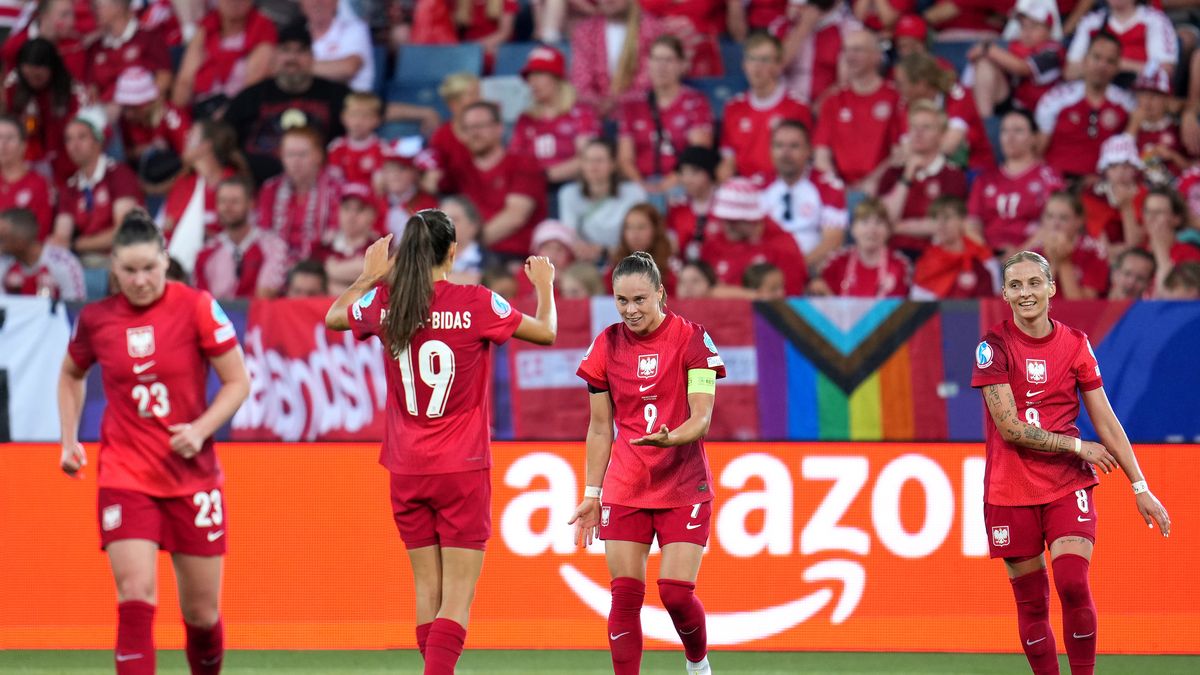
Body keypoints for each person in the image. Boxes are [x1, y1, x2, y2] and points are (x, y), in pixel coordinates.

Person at [325, 210, 557, 675]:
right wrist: (546, 287)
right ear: (452, 251)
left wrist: (368, 275)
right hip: (462, 466)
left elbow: (333, 317)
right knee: (456, 598)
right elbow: (547, 332)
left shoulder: (386, 301)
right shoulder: (475, 302)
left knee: (426, 592)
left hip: (407, 466)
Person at [57, 210, 250, 675]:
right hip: (125, 473)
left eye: (149, 268)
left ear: (166, 261)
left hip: (193, 477)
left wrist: (201, 429)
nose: (140, 280)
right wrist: (69, 439)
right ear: (113, 269)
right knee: (136, 596)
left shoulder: (198, 306)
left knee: (201, 616)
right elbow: (70, 373)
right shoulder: (96, 320)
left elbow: (238, 382)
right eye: (129, 270)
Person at [971, 249, 1170, 675]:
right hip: (1010, 487)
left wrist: (1140, 486)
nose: (1027, 293)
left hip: (1066, 485)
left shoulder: (1076, 343)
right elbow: (1010, 428)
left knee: (1072, 584)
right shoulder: (992, 348)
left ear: (1052, 288)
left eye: (1034, 283)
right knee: (1032, 603)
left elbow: (1107, 421)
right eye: (1016, 285)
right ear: (1005, 294)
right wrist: (1079, 448)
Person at [570, 250, 724, 675]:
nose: (631, 310)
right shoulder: (605, 345)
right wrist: (591, 493)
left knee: (675, 593)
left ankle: (697, 663)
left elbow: (702, 417)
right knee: (624, 597)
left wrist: (670, 439)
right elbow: (600, 428)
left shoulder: (693, 340)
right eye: (622, 301)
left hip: (682, 483)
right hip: (626, 483)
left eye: (640, 299)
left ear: (661, 293)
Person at [222, 20, 351, 181]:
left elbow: (369, 112)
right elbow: (223, 137)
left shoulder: (334, 93)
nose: (292, 58)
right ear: (276, 55)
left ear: (312, 57)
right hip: (257, 184)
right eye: (286, 50)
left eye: (300, 51)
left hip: (318, 184)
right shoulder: (252, 96)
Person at [439, 101, 548, 262]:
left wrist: (471, 246)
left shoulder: (523, 163)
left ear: (499, 128)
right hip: (470, 257)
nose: (474, 133)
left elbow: (515, 217)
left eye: (480, 126)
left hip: (516, 258)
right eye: (468, 128)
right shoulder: (459, 168)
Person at [616, 35, 713, 197]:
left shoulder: (696, 102)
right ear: (648, 63)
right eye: (656, 59)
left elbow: (698, 153)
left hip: (681, 182)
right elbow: (625, 158)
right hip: (640, 183)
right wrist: (642, 185)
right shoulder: (633, 105)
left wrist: (665, 186)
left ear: (682, 65)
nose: (661, 66)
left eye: (669, 60)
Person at [813, 28, 903, 193]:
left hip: (881, 188)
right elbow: (821, 155)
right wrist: (837, 188)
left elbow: (900, 153)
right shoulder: (833, 101)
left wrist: (871, 183)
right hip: (839, 189)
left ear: (876, 56)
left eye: (858, 50)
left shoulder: (895, 97)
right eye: (846, 50)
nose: (850, 56)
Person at [717, 31, 813, 185]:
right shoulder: (733, 107)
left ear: (778, 65)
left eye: (764, 60)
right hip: (745, 189)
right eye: (751, 59)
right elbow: (729, 159)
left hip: (782, 187)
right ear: (744, 64)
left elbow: (805, 158)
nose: (757, 66)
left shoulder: (797, 107)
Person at [1036, 33, 1135, 182]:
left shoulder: (1127, 104)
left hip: (1103, 186)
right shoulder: (1056, 98)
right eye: (1096, 57)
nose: (1102, 66)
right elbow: (1039, 149)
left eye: (1110, 61)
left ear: (1117, 67)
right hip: (1057, 183)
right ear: (1084, 60)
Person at [876, 100, 969, 255]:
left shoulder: (953, 176)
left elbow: (945, 224)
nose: (918, 133)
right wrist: (907, 174)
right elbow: (883, 219)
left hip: (936, 255)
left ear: (941, 135)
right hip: (891, 255)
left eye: (926, 127)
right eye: (914, 127)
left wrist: (897, 227)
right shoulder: (893, 173)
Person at [967, 109, 1064, 257]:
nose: (1010, 137)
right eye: (1005, 131)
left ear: (1034, 138)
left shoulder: (1049, 177)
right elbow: (972, 223)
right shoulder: (985, 179)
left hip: (1033, 258)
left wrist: (1019, 254)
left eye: (1018, 131)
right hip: (989, 258)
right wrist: (988, 254)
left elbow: (1055, 225)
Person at [760, 119, 847, 273]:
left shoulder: (828, 185)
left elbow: (833, 240)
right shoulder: (757, 186)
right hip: (766, 268)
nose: (785, 153)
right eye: (779, 146)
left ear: (809, 150)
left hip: (813, 266)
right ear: (770, 150)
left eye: (794, 146)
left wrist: (796, 267)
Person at [2, 37, 92, 184]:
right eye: (28, 76)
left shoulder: (72, 91)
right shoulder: (12, 86)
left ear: (52, 68)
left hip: (64, 163)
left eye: (38, 76)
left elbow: (84, 128)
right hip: (23, 160)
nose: (33, 80)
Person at [700, 177, 808, 296]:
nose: (727, 226)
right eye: (723, 219)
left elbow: (790, 297)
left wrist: (734, 294)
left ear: (753, 219)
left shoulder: (783, 247)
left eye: (733, 221)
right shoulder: (715, 242)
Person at [508, 45, 600, 186]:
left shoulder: (581, 113)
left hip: (571, 186)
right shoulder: (526, 118)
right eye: (530, 76)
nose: (532, 82)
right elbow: (514, 158)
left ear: (558, 78)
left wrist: (543, 176)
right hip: (531, 188)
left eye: (539, 75)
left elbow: (587, 158)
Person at [171, 0, 278, 115]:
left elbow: (253, 88)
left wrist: (225, 116)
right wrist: (178, 117)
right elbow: (184, 81)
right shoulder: (206, 28)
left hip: (238, 111)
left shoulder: (262, 29)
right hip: (201, 108)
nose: (233, 2)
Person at [255, 125, 342, 266]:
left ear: (319, 156)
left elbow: (337, 233)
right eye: (289, 154)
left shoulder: (335, 188)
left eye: (302, 154)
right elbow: (264, 233)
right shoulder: (270, 188)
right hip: (276, 264)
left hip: (323, 264)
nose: (296, 161)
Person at [193, 177, 289, 299]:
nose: (227, 207)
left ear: (250, 203)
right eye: (222, 201)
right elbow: (203, 302)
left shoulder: (273, 246)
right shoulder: (205, 253)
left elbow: (265, 296)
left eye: (235, 201)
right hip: (218, 316)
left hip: (258, 316)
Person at [967, 0, 1064, 118]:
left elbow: (1023, 68)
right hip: (1014, 106)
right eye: (1023, 26)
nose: (1027, 32)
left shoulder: (1053, 50)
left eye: (1034, 26)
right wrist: (986, 52)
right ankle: (984, 121)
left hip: (1039, 114)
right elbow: (971, 55)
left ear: (1048, 29)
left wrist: (988, 49)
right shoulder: (1016, 45)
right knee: (984, 64)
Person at [557, 138, 647, 260]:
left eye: (599, 160)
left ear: (613, 164)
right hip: (586, 260)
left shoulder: (634, 192)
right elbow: (569, 233)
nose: (593, 166)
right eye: (587, 160)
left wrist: (605, 250)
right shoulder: (568, 193)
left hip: (626, 258)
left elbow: (641, 234)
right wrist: (582, 249)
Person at [814, 197, 912, 297]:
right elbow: (818, 293)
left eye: (879, 222)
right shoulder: (836, 261)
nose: (872, 229)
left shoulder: (900, 265)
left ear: (888, 230)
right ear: (853, 229)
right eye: (865, 222)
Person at [1065, 0, 1178, 85]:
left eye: (1110, 61)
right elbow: (1070, 71)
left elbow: (1164, 71)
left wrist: (1113, 65)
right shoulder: (1091, 21)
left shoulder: (1155, 20)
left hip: (1138, 94)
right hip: (1097, 95)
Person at [86, 0, 172, 104]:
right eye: (93, 6)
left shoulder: (148, 38)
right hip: (106, 113)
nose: (94, 10)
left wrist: (144, 104)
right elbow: (92, 88)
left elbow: (164, 77)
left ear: (119, 6)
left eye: (98, 5)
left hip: (142, 109)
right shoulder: (96, 47)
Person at [911, 196, 997, 299]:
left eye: (947, 218)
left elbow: (993, 302)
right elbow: (919, 305)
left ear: (963, 220)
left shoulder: (983, 257)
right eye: (935, 218)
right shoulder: (926, 262)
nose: (941, 225)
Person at [1031, 191, 1110, 299]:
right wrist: (1054, 261)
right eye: (1050, 216)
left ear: (1079, 220)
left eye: (1063, 218)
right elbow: (1035, 300)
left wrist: (1063, 260)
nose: (1055, 224)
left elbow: (1082, 304)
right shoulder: (1035, 252)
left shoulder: (1094, 252)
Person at [0, 206, 85, 300]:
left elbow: (75, 307)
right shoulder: (4, 262)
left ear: (20, 242)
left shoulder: (62, 262)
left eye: (2, 239)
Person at [0, 114, 54, 240]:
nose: (3, 145)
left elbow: (40, 231)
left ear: (23, 146)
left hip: (21, 256)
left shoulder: (39, 184)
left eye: (10, 138)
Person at [302, 0, 375, 92]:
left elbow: (349, 68)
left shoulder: (354, 28)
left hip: (352, 100)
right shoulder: (295, 32)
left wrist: (296, 66)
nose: (317, 2)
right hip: (308, 99)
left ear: (336, 2)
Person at [323, 182, 382, 295]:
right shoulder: (324, 246)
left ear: (373, 214)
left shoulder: (382, 246)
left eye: (359, 209)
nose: (351, 215)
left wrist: (330, 272)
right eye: (346, 208)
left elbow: (375, 281)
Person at [327, 92, 387, 186]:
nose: (358, 122)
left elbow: (380, 187)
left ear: (378, 120)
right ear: (343, 117)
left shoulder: (383, 149)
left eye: (366, 116)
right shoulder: (335, 147)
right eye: (353, 115)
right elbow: (332, 181)